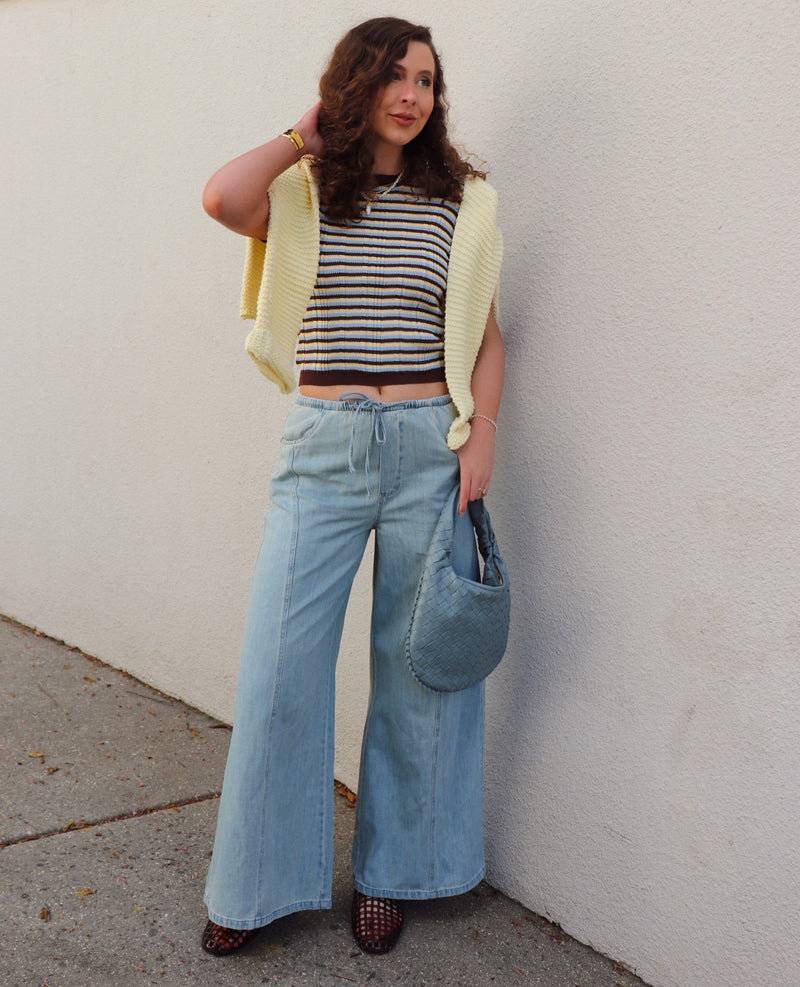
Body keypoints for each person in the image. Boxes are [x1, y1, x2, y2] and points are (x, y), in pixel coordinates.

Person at [200, 16, 504, 957]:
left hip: (429, 448)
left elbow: (489, 335)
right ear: (356, 85)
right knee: (280, 667)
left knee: (419, 671)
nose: (413, 95)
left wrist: (480, 437)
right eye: (393, 78)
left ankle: (394, 874)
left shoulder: (463, 200)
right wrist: (304, 133)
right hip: (324, 447)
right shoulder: (302, 189)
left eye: (426, 80)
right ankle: (254, 883)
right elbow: (220, 197)